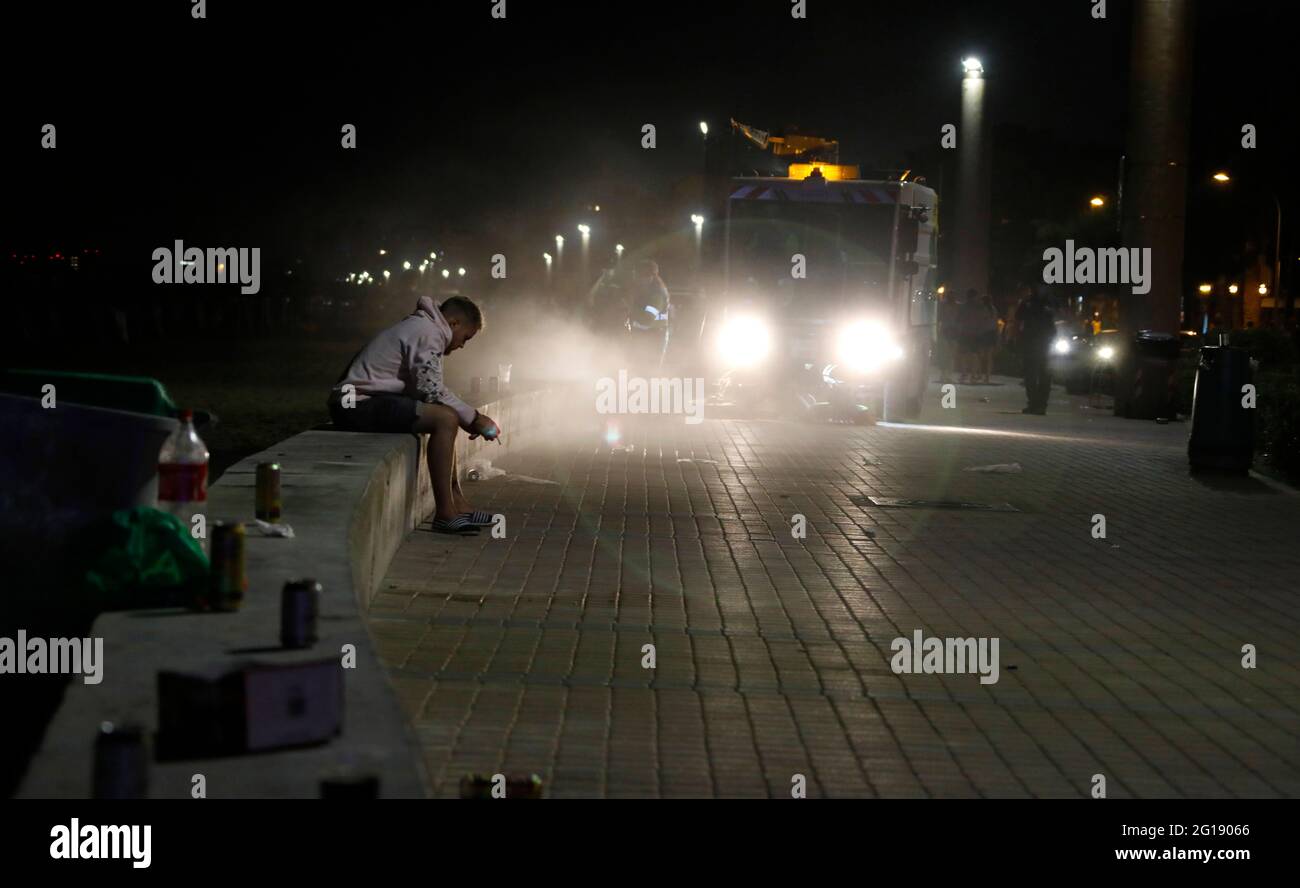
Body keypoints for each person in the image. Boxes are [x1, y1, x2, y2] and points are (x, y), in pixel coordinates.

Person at [327, 294, 500, 535]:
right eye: (466, 338)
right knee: (446, 418)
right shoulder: (428, 332)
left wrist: (468, 418)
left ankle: (457, 504)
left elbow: (426, 389)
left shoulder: (424, 327)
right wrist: (474, 418)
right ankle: (445, 514)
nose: (462, 345)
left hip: (362, 401)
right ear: (454, 323)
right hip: (356, 405)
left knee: (447, 415)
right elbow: (430, 389)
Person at [1014, 287, 1056, 414]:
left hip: (1033, 342)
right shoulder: (1048, 303)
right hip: (1043, 343)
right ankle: (1039, 404)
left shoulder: (1029, 302)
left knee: (1033, 375)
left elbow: (1018, 317)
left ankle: (1035, 403)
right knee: (1043, 375)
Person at [626, 259, 671, 371]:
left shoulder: (657, 294)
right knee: (637, 372)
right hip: (642, 336)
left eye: (642, 275)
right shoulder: (644, 290)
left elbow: (647, 319)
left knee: (648, 373)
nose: (639, 279)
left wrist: (630, 308)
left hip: (654, 337)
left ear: (651, 276)